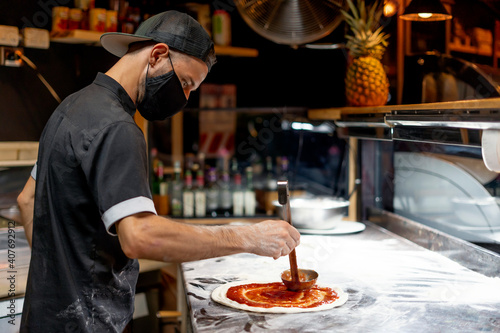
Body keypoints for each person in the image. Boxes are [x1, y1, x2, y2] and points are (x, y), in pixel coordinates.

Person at [16, 10, 300, 332]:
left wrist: (62, 276)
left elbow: (27, 199)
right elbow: (140, 237)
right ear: (157, 55)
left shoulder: (71, 106)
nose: (186, 98)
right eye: (186, 83)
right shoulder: (118, 128)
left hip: (43, 318)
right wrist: (247, 236)